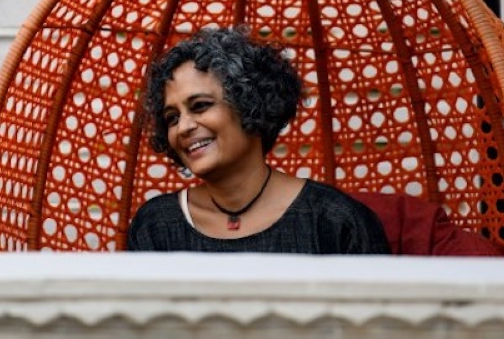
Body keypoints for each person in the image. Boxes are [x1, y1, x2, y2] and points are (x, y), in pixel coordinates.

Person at [126, 27, 390, 254]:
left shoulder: (333, 221)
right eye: (171, 118)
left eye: (200, 105)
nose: (183, 127)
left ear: (250, 104)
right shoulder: (156, 226)